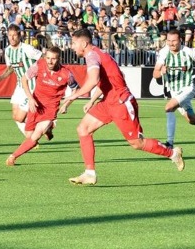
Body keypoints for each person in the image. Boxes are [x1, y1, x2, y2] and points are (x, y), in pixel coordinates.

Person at [59, 29, 184, 186]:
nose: (72, 47)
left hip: (121, 103)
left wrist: (71, 97)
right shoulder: (97, 54)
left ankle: (172, 153)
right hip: (108, 102)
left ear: (84, 43)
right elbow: (107, 80)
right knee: (83, 129)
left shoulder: (92, 56)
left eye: (74, 43)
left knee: (136, 143)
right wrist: (92, 101)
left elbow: (92, 80)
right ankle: (89, 173)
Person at [6, 46, 78, 166]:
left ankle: (13, 157)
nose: (50, 61)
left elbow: (76, 89)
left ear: (59, 59)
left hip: (50, 108)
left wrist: (66, 104)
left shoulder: (66, 74)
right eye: (48, 58)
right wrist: (30, 98)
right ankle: (48, 130)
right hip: (36, 105)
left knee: (36, 135)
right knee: (29, 137)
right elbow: (24, 79)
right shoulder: (39, 65)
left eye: (53, 59)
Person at [0, 24, 44, 135]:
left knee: (20, 118)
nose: (12, 38)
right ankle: (33, 137)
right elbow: (11, 68)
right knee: (15, 116)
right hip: (20, 85)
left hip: (31, 85)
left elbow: (43, 58)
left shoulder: (26, 48)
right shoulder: (8, 51)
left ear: (19, 36)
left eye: (14, 35)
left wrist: (36, 71)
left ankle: (41, 126)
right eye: (10, 35)